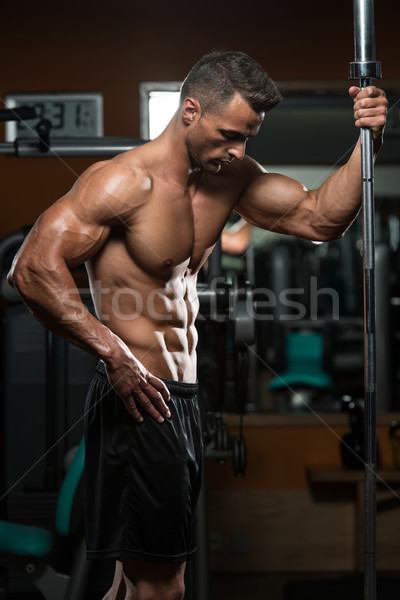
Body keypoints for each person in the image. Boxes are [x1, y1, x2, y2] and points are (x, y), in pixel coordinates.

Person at [8, 50, 387, 600]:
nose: (238, 150)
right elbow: (32, 269)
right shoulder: (121, 183)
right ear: (189, 111)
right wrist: (114, 355)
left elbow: (319, 217)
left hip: (180, 399)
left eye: (248, 138)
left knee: (132, 581)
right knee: (163, 586)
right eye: (229, 133)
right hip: (141, 399)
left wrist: (367, 143)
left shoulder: (230, 178)